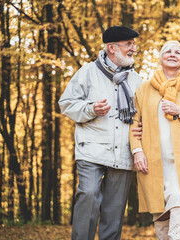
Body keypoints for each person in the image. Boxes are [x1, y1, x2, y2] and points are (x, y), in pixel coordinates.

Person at [58, 26, 143, 240]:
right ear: (111, 48)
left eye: (134, 44)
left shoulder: (137, 80)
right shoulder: (87, 72)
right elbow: (66, 104)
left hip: (123, 153)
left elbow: (144, 116)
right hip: (92, 150)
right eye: (128, 45)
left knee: (114, 213)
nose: (133, 48)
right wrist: (91, 109)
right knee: (88, 195)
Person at [129, 41, 180, 240]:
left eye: (178, 52)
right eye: (168, 51)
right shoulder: (144, 88)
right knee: (161, 220)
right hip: (153, 163)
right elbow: (133, 122)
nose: (173, 54)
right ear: (160, 57)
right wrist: (137, 151)